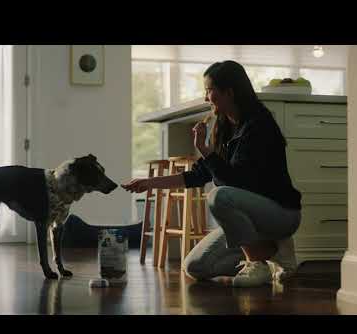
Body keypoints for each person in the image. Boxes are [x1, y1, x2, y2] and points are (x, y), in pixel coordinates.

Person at [122, 60, 302, 287]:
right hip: (253, 222)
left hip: (281, 214)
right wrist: (149, 183)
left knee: (219, 196)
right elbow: (197, 175)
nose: (206, 98)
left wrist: (206, 151)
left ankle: (257, 263)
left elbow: (236, 183)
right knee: (195, 267)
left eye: (209, 91)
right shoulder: (223, 126)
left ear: (229, 93)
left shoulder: (259, 126)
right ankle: (273, 251)